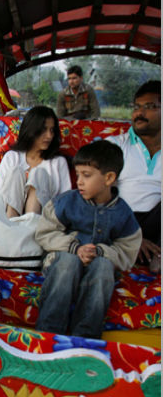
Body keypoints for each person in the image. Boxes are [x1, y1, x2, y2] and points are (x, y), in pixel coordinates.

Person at [35, 140, 141, 338]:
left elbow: (127, 251)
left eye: (87, 175)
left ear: (109, 178)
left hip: (98, 263)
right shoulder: (66, 202)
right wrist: (74, 248)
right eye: (78, 174)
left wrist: (100, 252)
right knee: (68, 263)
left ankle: (85, 339)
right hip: (63, 259)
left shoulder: (123, 213)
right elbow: (45, 233)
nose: (79, 182)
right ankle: (48, 332)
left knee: (103, 267)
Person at [107, 80, 161, 274]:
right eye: (137, 107)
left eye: (149, 107)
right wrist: (132, 237)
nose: (139, 113)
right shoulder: (115, 146)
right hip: (120, 224)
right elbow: (95, 197)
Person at [0, 105, 71, 218]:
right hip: (7, 220)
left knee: (39, 174)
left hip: (42, 221)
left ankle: (30, 224)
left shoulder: (58, 162)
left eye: (52, 130)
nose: (49, 136)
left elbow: (65, 202)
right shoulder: (12, 158)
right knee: (16, 173)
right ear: (31, 130)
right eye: (43, 130)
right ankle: (11, 224)